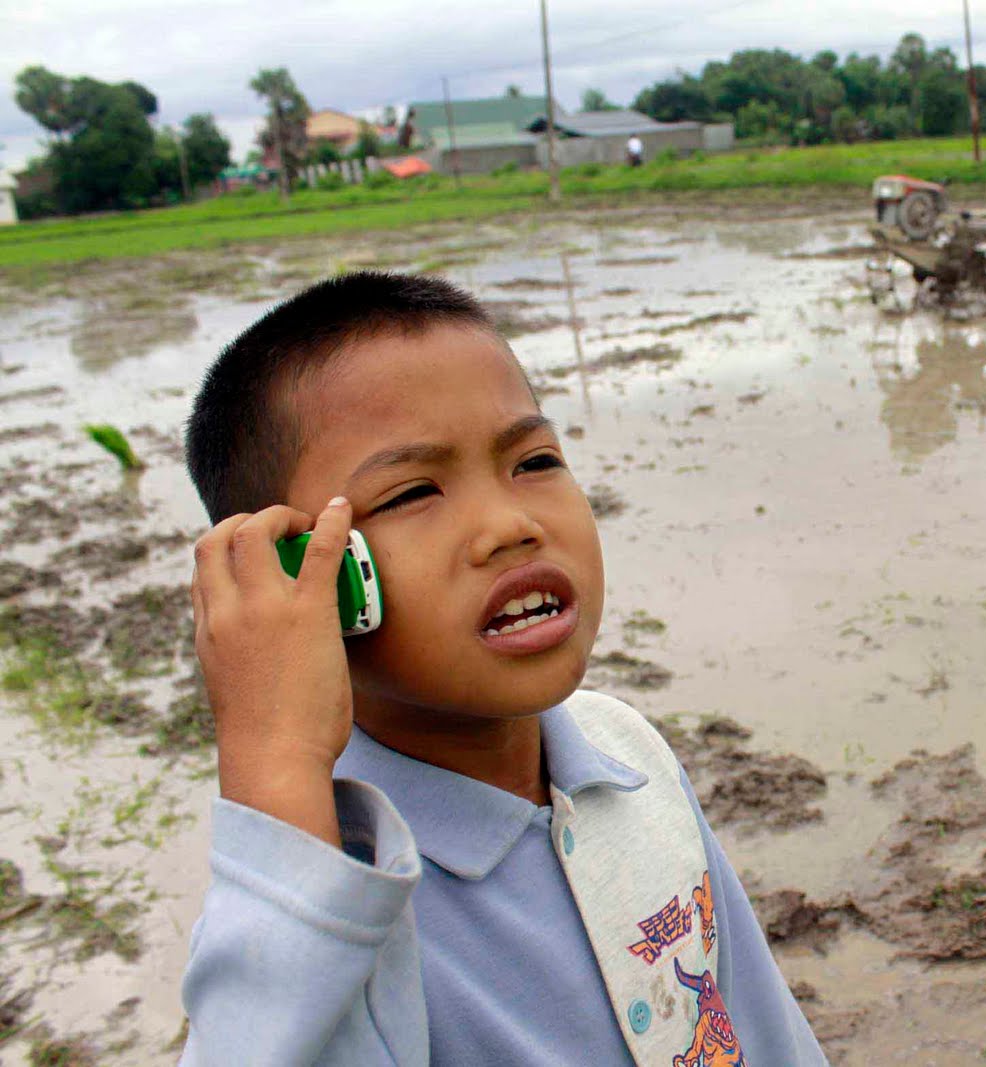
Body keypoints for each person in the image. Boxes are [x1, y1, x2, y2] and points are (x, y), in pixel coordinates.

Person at [177, 272, 825, 1066]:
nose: (509, 525)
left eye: (534, 460)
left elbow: (759, 1024)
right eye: (414, 490)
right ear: (299, 576)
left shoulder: (628, 753)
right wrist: (273, 761)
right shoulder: (330, 892)